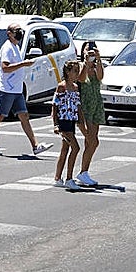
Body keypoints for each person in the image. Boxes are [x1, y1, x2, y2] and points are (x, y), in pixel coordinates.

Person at [0, 24, 52, 157]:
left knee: (24, 116)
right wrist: (23, 64)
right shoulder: (7, 48)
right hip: (7, 89)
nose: (19, 33)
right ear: (9, 33)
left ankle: (35, 146)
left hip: (17, 90)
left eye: (20, 31)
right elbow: (5, 68)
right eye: (16, 31)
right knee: (0, 115)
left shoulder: (16, 47)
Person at [76, 40, 105, 187]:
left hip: (96, 105)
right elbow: (81, 79)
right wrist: (87, 63)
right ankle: (83, 172)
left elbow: (100, 77)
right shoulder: (80, 66)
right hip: (85, 106)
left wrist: (98, 59)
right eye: (88, 49)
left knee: (93, 141)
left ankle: (84, 172)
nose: (91, 52)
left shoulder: (96, 65)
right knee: (91, 140)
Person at [51, 60, 83, 190]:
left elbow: (78, 106)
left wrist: (81, 121)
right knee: (76, 148)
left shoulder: (75, 87)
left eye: (77, 71)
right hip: (63, 121)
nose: (76, 73)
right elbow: (55, 105)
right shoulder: (61, 87)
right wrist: (55, 124)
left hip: (71, 121)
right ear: (67, 72)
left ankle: (57, 177)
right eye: (74, 71)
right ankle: (69, 178)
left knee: (65, 149)